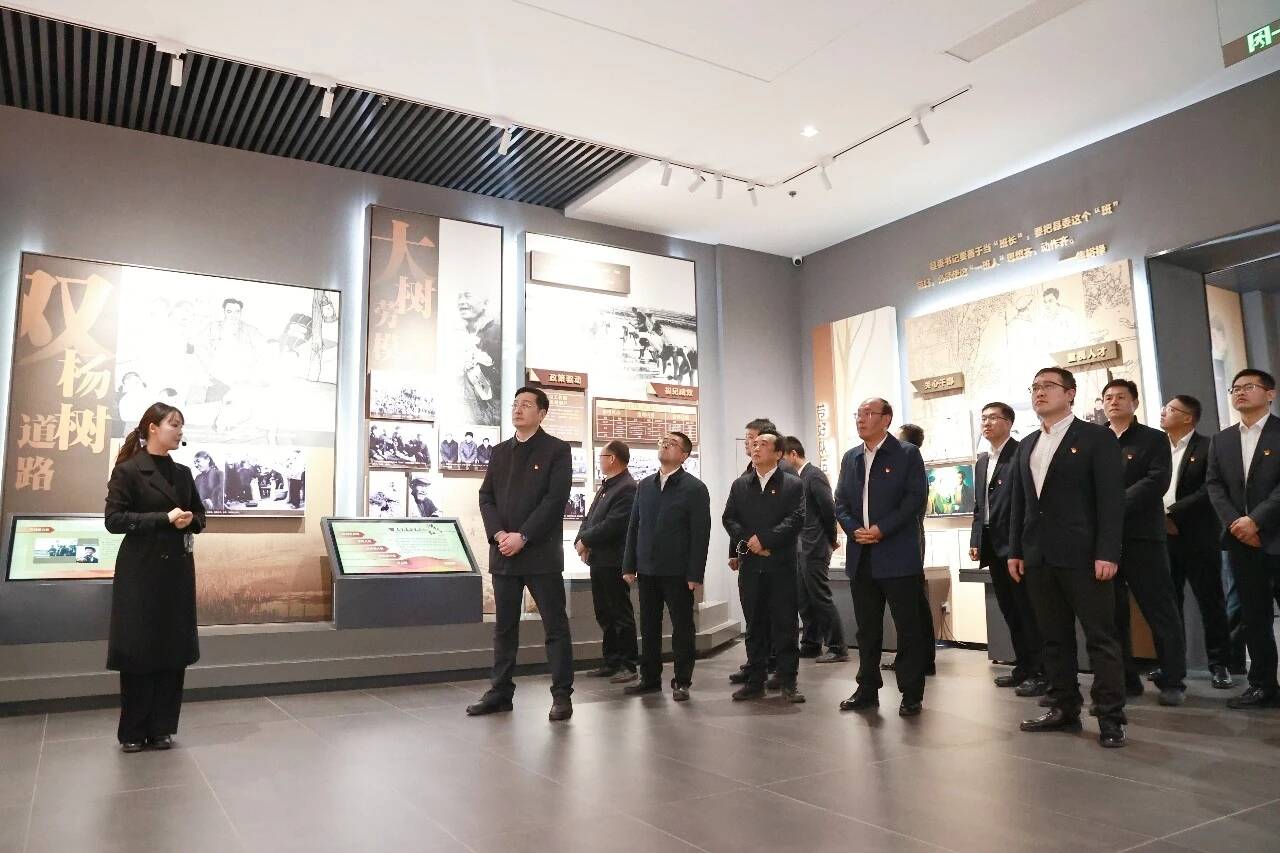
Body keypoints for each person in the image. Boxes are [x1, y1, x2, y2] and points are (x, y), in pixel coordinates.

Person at [1009, 367, 1127, 748]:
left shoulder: (1096, 437)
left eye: (1048, 386)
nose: (1039, 392)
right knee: (1053, 639)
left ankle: (1110, 717)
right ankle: (1063, 706)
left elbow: (1111, 500)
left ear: (1070, 393)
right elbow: (1020, 503)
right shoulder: (1027, 444)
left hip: (1085, 556)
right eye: (1034, 386)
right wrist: (1015, 550)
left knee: (1100, 639)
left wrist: (1107, 552)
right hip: (1039, 557)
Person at [104, 402, 206, 753]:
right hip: (141, 572)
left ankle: (163, 727)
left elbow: (200, 516)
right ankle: (133, 730)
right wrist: (163, 519)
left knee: (172, 649)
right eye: (173, 424)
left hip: (177, 572)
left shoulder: (183, 473)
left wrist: (190, 520)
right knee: (138, 649)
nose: (179, 431)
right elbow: (114, 520)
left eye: (180, 425)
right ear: (152, 428)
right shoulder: (129, 471)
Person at [469, 387, 574, 721]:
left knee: (554, 626)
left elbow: (555, 500)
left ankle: (562, 695)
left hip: (540, 554)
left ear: (542, 413)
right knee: (504, 628)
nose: (518, 409)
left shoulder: (557, 450)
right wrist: (500, 534)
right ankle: (500, 692)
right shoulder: (500, 452)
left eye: (526, 405)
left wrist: (524, 536)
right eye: (515, 404)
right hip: (504, 553)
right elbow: (486, 497)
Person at [834, 399, 929, 716]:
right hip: (861, 555)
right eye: (858, 414)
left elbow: (914, 500)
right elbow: (840, 503)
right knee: (867, 629)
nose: (861, 419)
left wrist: (881, 529)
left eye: (868, 413)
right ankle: (867, 688)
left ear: (886, 419)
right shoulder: (851, 457)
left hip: (898, 555)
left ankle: (911, 692)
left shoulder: (906, 454)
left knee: (908, 628)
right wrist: (854, 530)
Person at [1101, 379, 1187, 705]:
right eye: (1108, 397)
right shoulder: (1095, 439)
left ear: (1135, 403)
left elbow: (1156, 481)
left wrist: (1113, 505)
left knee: (1160, 610)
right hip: (1105, 541)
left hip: (1143, 537)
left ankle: (1173, 681)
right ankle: (1125, 679)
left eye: (1121, 397)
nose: (1114, 402)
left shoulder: (1153, 438)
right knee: (1112, 614)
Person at [1205, 368, 1280, 709]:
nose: (1240, 392)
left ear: (1270, 394)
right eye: (1235, 388)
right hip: (1241, 542)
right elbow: (1214, 485)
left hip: (1275, 535)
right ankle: (1262, 685)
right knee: (1254, 617)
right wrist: (1237, 523)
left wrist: (1256, 520)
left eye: (1249, 386)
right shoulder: (1221, 440)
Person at [622, 431, 711, 700]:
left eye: (672, 444)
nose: (664, 445)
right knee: (649, 626)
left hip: (678, 571)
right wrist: (629, 565)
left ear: (684, 455)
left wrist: (695, 573)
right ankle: (649, 677)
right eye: (662, 442)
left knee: (682, 627)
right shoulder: (645, 485)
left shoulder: (695, 488)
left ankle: (682, 680)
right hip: (647, 569)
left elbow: (700, 534)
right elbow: (634, 526)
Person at [723, 431, 807, 703]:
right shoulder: (741, 484)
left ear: (779, 453)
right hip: (751, 564)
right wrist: (750, 540)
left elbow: (796, 519)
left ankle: (788, 681)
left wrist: (767, 540)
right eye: (754, 444)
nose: (756, 448)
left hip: (781, 564)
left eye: (763, 444)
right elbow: (729, 518)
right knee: (754, 624)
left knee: (785, 624)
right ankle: (755, 680)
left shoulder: (792, 484)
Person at [969, 403, 1045, 695]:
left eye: (993, 418)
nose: (986, 423)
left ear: (1009, 422)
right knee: (1010, 610)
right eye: (983, 418)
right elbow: (980, 506)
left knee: (1028, 611)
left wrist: (1019, 546)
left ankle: (1040, 671)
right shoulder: (982, 460)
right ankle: (1023, 666)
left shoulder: (1021, 453)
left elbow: (1026, 503)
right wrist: (976, 539)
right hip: (992, 544)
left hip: (1016, 546)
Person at [1160, 394, 1234, 690]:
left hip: (1198, 536)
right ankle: (1171, 664)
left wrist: (1172, 513)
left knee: (1210, 601)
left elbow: (1209, 489)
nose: (1163, 412)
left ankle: (1220, 664)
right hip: (1162, 536)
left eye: (1170, 409)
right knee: (1168, 603)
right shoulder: (1158, 448)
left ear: (1188, 417)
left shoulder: (1208, 446)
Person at [576, 441, 639, 683]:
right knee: (604, 612)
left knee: (619, 613)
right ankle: (611, 660)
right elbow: (590, 517)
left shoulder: (627, 488)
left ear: (612, 459)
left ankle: (628, 664)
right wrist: (581, 540)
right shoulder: (607, 486)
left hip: (614, 560)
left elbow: (614, 524)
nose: (599, 460)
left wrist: (586, 541)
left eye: (602, 456)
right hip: (599, 560)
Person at [782, 436, 847, 663]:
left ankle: (837, 647)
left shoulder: (814, 475)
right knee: (803, 598)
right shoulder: (795, 479)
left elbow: (828, 508)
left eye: (782, 457)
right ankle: (811, 643)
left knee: (820, 596)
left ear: (793, 454)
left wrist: (831, 538)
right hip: (800, 547)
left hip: (815, 545)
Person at [729, 417, 783, 686]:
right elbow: (735, 516)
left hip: (776, 556)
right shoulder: (745, 476)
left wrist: (765, 542)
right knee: (753, 613)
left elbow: (790, 518)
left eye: (754, 438)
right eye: (748, 439)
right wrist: (736, 550)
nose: (749, 443)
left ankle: (777, 665)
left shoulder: (784, 477)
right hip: (749, 554)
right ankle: (755, 664)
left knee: (775, 615)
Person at [884, 423, 936, 678]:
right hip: (908, 539)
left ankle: (918, 659)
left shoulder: (910, 466)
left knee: (911, 604)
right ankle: (917, 658)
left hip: (908, 540)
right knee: (912, 603)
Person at [459, 290, 501, 425]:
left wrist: (482, 360)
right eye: (460, 297)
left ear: (485, 303)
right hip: (470, 399)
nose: (462, 302)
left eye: (468, 296)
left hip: (490, 405)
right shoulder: (461, 331)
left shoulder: (496, 331)